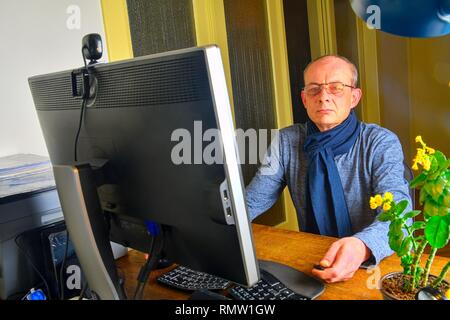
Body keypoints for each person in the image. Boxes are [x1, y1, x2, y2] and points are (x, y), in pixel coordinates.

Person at [245, 55, 412, 283]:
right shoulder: (285, 141)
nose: (324, 97)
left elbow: (399, 218)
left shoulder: (381, 142)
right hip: (315, 259)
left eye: (336, 88)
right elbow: (252, 202)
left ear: (354, 97)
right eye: (314, 90)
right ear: (304, 99)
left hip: (375, 264)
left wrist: (361, 246)